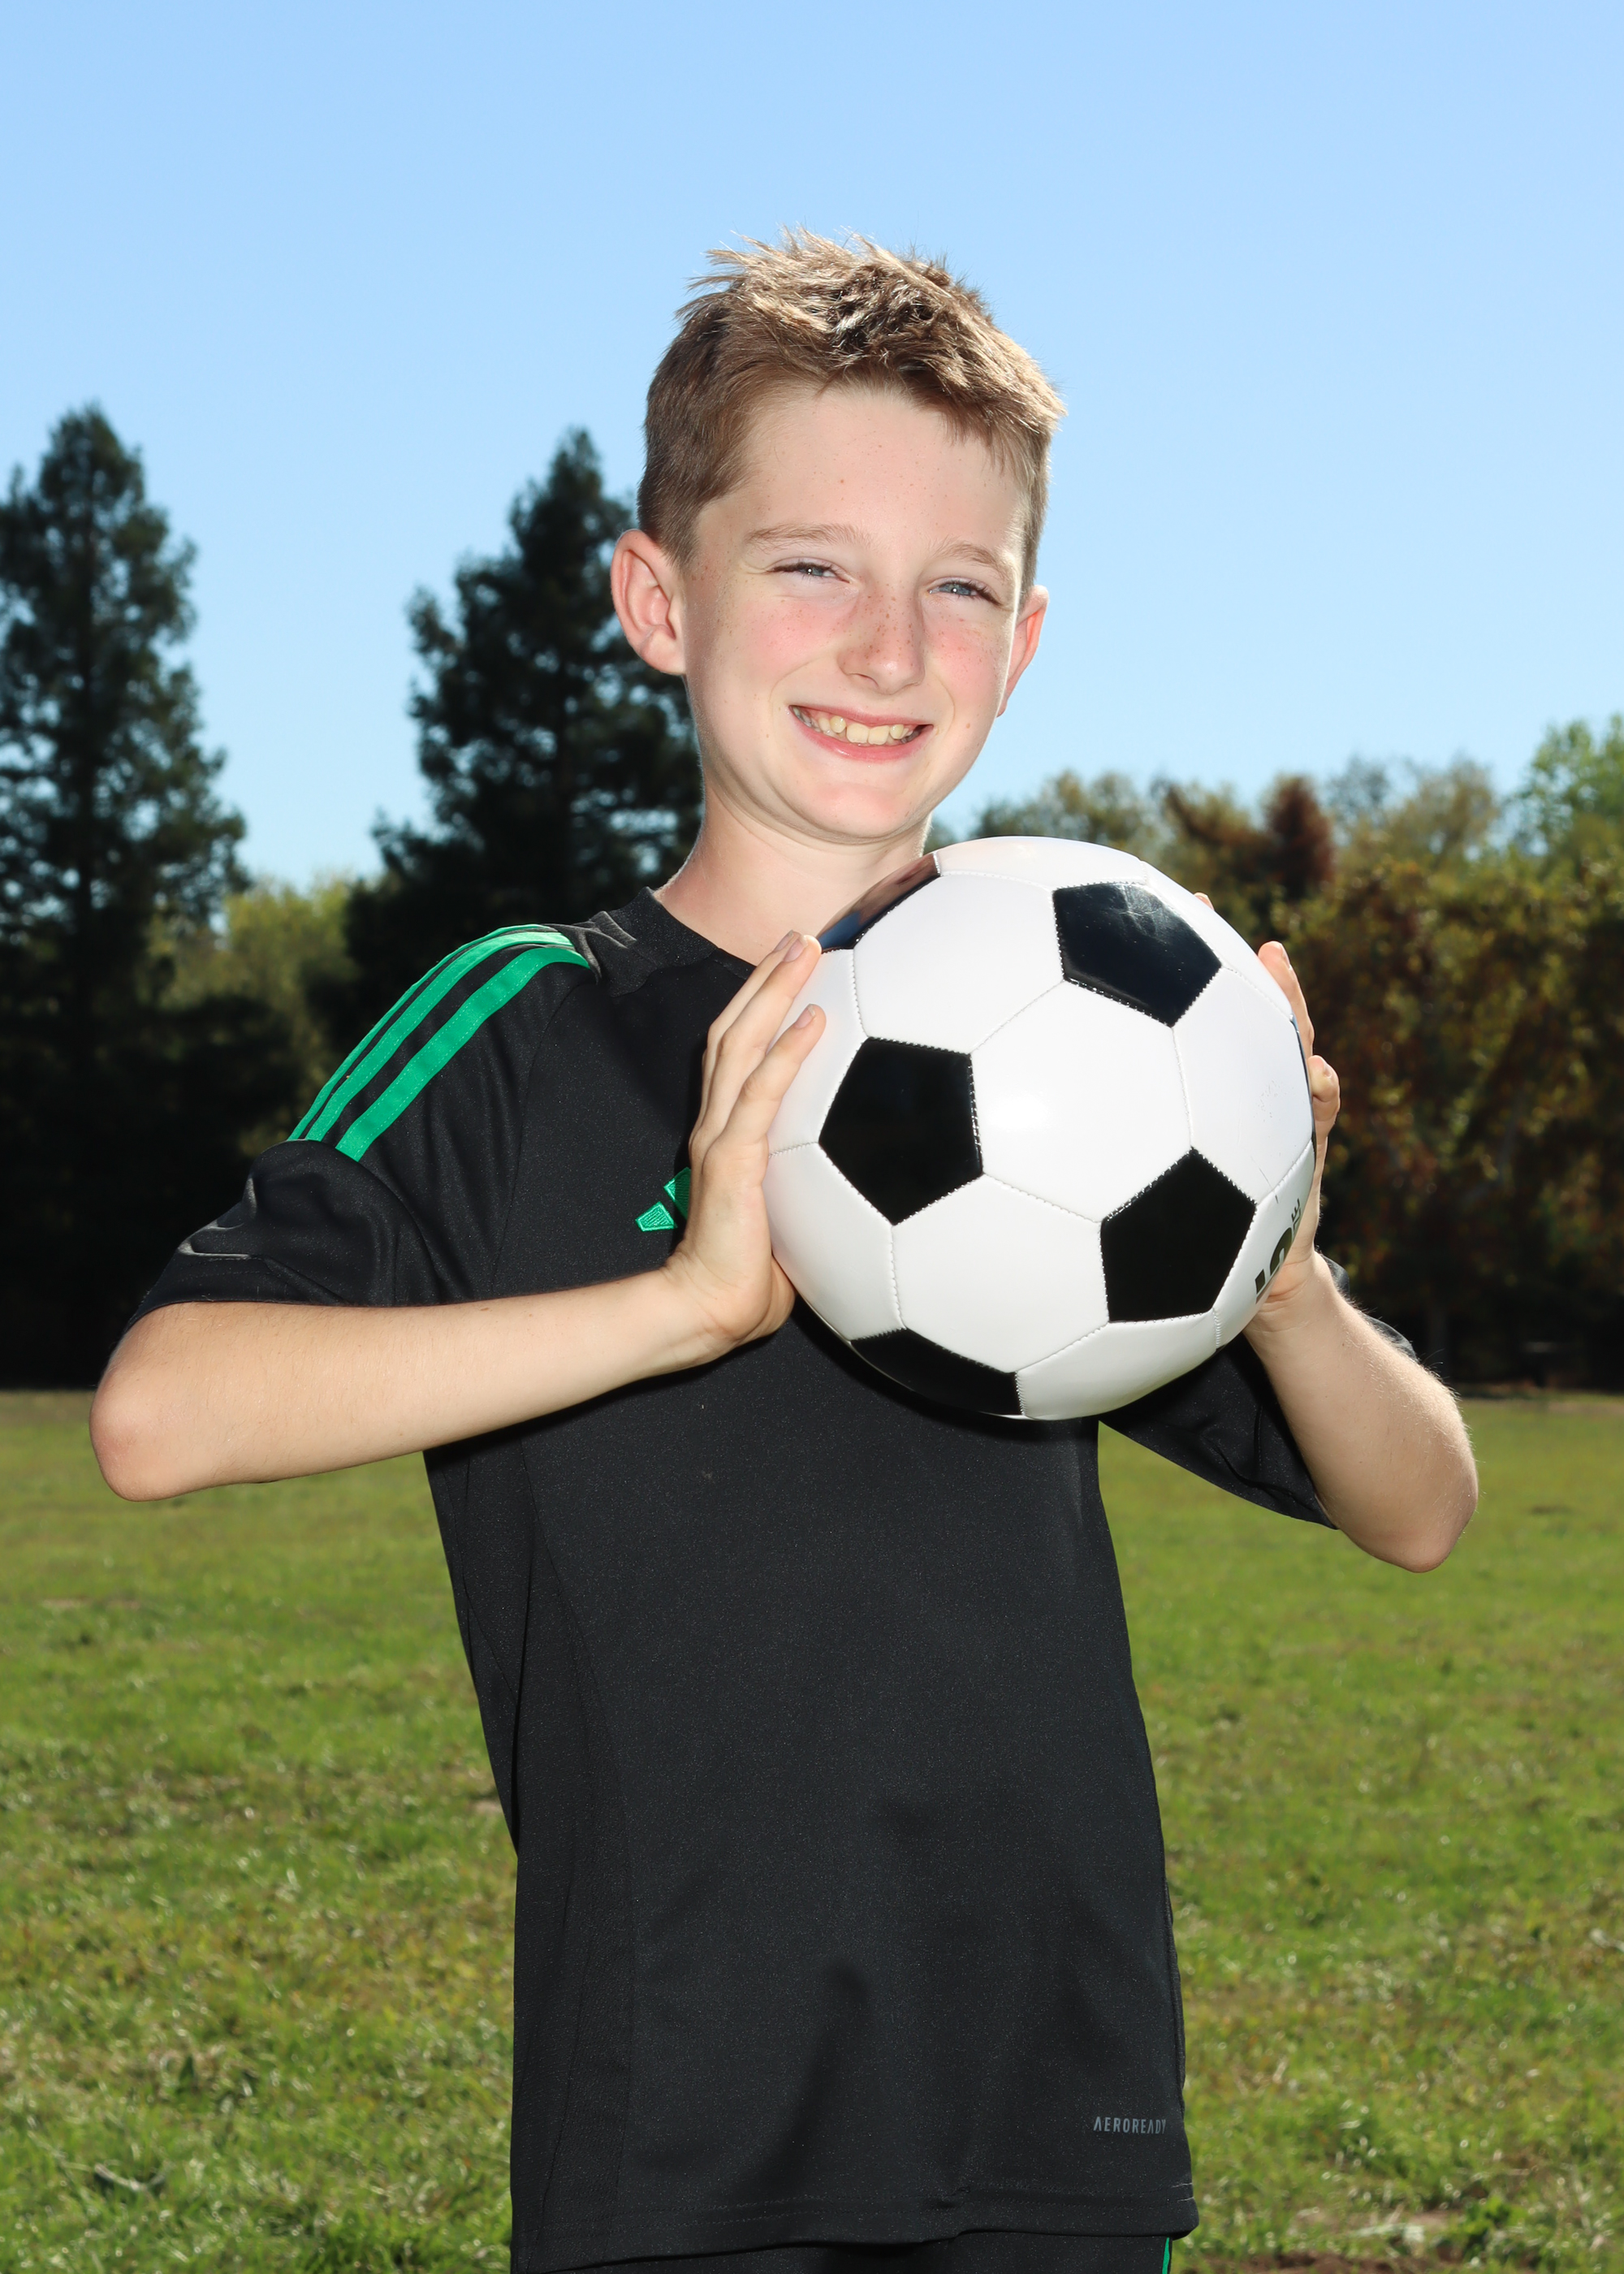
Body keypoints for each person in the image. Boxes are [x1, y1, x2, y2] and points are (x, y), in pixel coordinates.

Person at [91, 234, 1477, 2274]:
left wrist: (1273, 1249)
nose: (888, 646)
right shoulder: (531, 1021)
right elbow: (158, 1412)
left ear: (1023, 642)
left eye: (959, 587)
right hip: (686, 2124)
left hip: (1054, 2108)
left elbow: (1422, 1504)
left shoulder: (1100, 1051)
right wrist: (682, 1304)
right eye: (812, 564)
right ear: (661, 600)